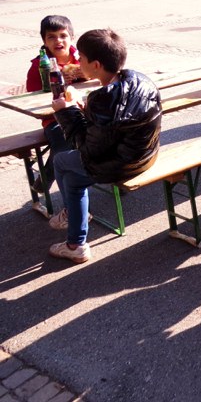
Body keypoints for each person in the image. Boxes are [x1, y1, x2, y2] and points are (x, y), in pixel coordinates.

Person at [48, 29, 162, 262]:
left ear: (96, 65)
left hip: (123, 164)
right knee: (73, 181)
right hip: (147, 155)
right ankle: (75, 243)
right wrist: (85, 109)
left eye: (80, 57)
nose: (77, 60)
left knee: (60, 161)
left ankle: (71, 220)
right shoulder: (139, 79)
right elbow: (112, 126)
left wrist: (65, 112)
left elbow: (87, 150)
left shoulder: (103, 100)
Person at [25, 15, 85, 195]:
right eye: (51, 37)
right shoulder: (40, 64)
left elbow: (101, 77)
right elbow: (32, 95)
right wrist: (56, 84)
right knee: (64, 139)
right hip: (54, 118)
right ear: (44, 41)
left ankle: (113, 176)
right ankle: (46, 181)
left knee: (106, 127)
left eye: (63, 36)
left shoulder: (82, 58)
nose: (58, 41)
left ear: (71, 38)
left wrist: (85, 75)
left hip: (83, 111)